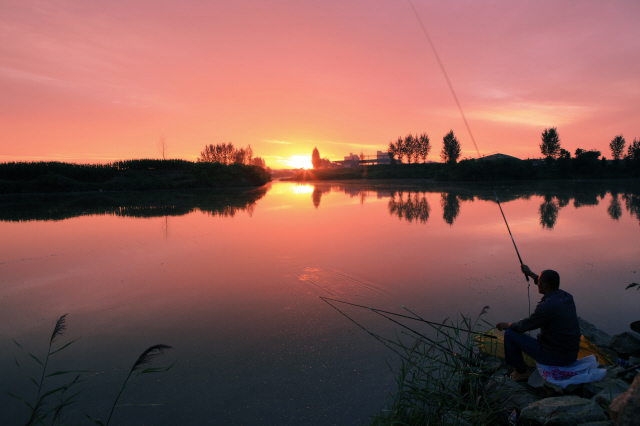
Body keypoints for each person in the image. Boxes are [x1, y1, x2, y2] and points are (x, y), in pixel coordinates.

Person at [496, 265, 581, 382]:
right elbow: (544, 281)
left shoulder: (547, 307)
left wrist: (508, 325)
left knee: (510, 334)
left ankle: (522, 372)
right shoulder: (566, 297)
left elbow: (524, 326)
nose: (538, 283)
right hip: (571, 355)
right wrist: (529, 273)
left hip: (556, 358)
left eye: (539, 281)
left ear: (545, 285)